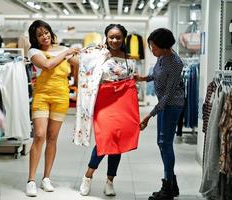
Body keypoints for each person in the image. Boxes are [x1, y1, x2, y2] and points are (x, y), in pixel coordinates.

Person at [78, 24, 139, 197]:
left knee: (118, 143)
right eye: (111, 37)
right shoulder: (98, 54)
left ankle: (110, 181)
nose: (114, 40)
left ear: (123, 38)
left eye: (118, 37)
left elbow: (131, 82)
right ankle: (88, 176)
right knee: (105, 139)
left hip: (122, 104)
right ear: (106, 37)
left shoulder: (129, 58)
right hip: (104, 103)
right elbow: (80, 61)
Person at [25, 20, 79, 197]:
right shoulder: (34, 51)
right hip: (42, 96)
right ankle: (31, 180)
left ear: (50, 32)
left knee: (52, 137)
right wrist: (66, 52)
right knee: (39, 135)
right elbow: (46, 65)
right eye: (39, 35)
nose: (44, 37)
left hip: (61, 97)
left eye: (46, 32)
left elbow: (79, 62)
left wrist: (98, 54)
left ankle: (46, 178)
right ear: (35, 38)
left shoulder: (62, 49)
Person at [134, 28, 185, 200]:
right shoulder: (162, 57)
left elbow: (168, 95)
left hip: (171, 106)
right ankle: (171, 184)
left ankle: (167, 188)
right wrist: (142, 78)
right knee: (162, 143)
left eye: (154, 47)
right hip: (164, 106)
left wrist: (149, 115)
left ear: (164, 47)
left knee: (165, 143)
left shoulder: (176, 63)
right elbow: (157, 75)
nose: (151, 50)